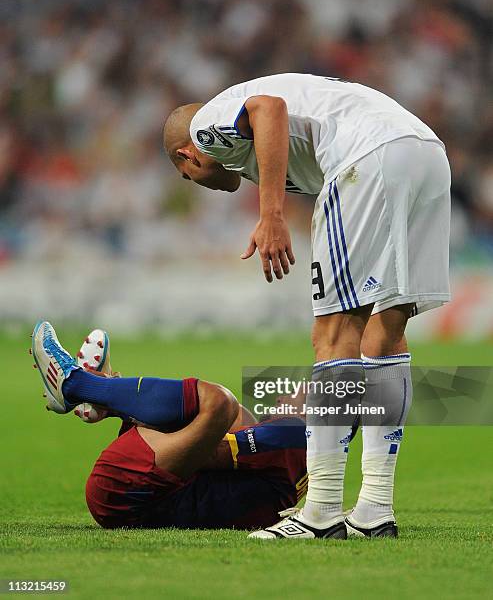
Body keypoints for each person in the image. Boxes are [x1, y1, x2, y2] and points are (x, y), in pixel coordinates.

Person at [163, 74, 451, 538]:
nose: (196, 182)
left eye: (187, 176)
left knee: (334, 336)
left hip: (368, 154)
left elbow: (269, 108)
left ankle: (320, 511)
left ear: (187, 156)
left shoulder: (202, 128)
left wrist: (270, 214)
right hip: (426, 153)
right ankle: (376, 509)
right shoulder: (266, 150)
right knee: (386, 332)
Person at [30, 321, 310, 532]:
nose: (281, 396)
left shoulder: (294, 432)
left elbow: (207, 452)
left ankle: (78, 385)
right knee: (236, 415)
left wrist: (129, 406)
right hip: (138, 505)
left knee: (220, 402)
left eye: (298, 393)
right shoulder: (302, 465)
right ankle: (103, 394)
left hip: (123, 489)